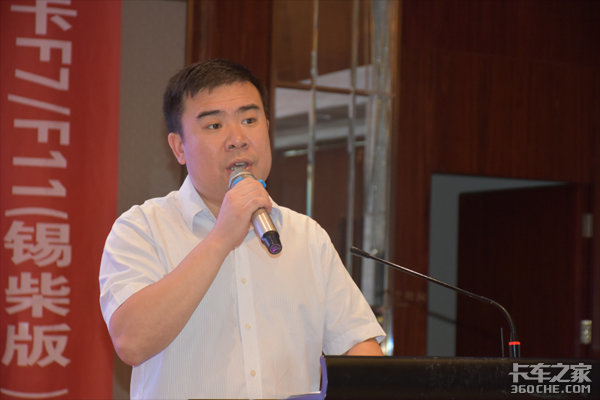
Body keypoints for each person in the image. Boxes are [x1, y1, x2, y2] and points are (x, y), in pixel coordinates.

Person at [99, 59, 385, 399]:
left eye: (249, 120)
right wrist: (222, 237)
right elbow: (132, 341)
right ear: (178, 147)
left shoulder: (306, 236)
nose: (237, 139)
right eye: (214, 125)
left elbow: (358, 348)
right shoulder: (141, 228)